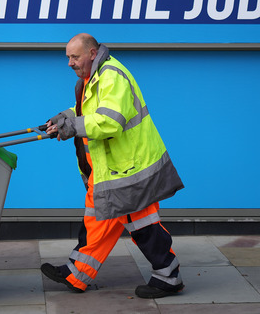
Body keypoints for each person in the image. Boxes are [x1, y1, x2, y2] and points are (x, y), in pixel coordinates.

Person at [41, 33, 185, 299]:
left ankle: (169, 276)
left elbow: (110, 121)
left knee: (142, 224)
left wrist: (72, 127)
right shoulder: (94, 78)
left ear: (93, 53)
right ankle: (77, 275)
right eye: (68, 58)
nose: (70, 63)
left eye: (75, 57)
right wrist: (64, 118)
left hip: (128, 169)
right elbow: (92, 112)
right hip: (111, 169)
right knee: (95, 220)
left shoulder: (111, 75)